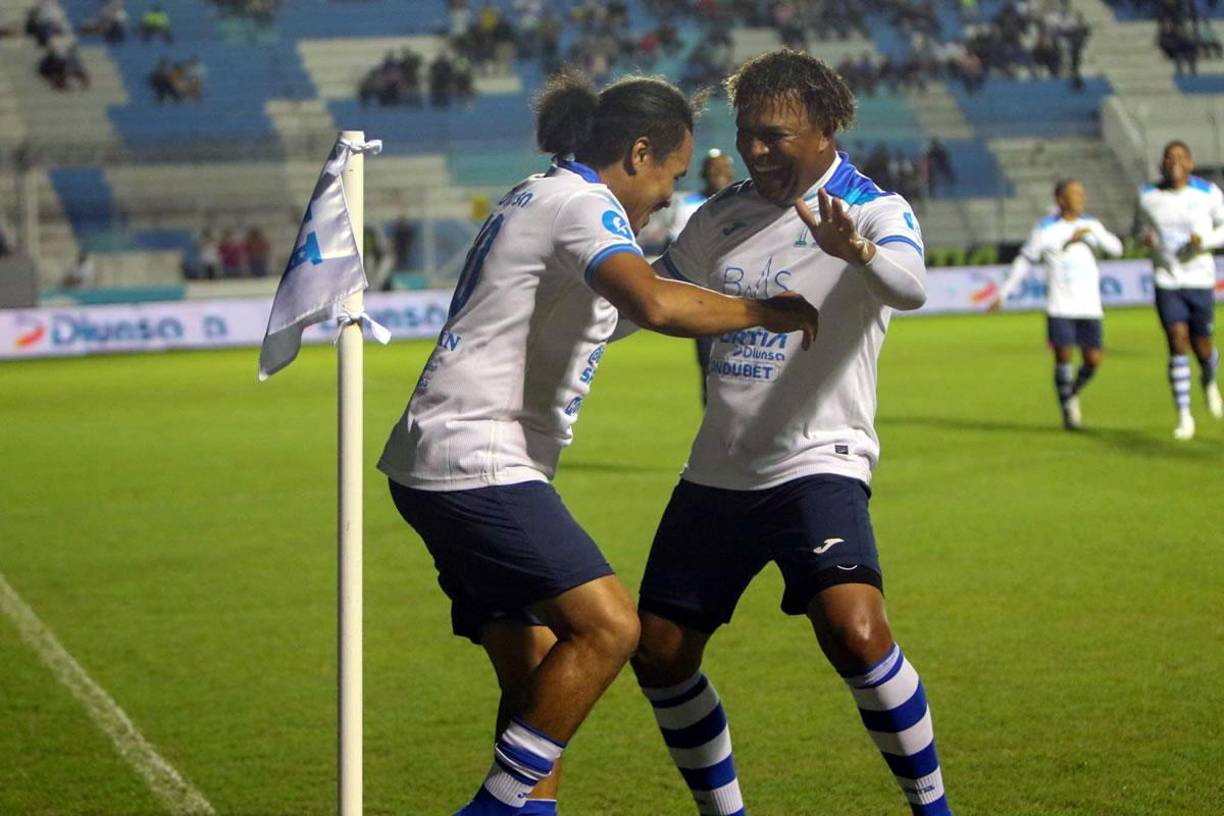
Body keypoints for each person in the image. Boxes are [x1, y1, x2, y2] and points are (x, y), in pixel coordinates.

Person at [377, 71, 819, 816]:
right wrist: (760, 310)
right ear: (639, 152)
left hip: (444, 458)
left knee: (539, 677)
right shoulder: (584, 203)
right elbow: (649, 299)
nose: (671, 196)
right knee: (612, 627)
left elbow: (622, 307)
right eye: (672, 176)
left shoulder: (538, 192)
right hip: (477, 459)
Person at [631, 49, 952, 816]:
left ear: (824, 130)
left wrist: (859, 254)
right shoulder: (724, 215)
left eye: (774, 136)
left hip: (818, 456)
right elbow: (652, 296)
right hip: (718, 468)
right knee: (661, 653)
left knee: (855, 630)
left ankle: (933, 809)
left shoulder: (873, 208)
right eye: (747, 135)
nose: (755, 150)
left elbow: (910, 287)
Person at [990, 179, 1123, 429]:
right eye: (1074, 194)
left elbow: (1117, 249)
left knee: (1093, 360)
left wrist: (1092, 234)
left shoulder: (1092, 225)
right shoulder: (1045, 229)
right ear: (1061, 199)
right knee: (1063, 357)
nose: (1080, 198)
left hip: (1090, 306)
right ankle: (1068, 411)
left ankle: (1070, 393)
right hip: (1060, 306)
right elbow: (1025, 260)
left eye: (1081, 193)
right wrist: (1003, 293)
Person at [1134, 140, 1224, 440]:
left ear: (1190, 163)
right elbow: (1137, 229)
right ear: (1161, 164)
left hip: (1199, 279)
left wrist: (1205, 241)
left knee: (1203, 347)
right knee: (1177, 339)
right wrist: (1144, 238)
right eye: (1169, 157)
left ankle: (1210, 378)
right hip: (1167, 279)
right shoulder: (1147, 196)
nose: (1174, 162)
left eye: (1180, 157)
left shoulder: (1208, 193)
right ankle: (1184, 415)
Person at [668, 148, 736, 404]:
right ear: (703, 173)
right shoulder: (688, 207)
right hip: (704, 296)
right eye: (712, 169)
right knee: (708, 363)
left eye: (722, 169)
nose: (717, 175)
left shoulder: (744, 205)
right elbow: (676, 247)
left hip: (739, 293)